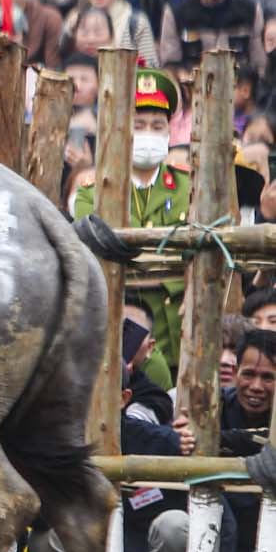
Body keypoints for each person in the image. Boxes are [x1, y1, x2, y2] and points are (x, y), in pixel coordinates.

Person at [72, 70, 189, 372]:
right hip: (116, 322)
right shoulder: (93, 191)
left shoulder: (189, 188)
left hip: (174, 325)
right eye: (138, 125)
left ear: (168, 132)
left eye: (156, 126)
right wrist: (167, 266)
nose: (148, 133)